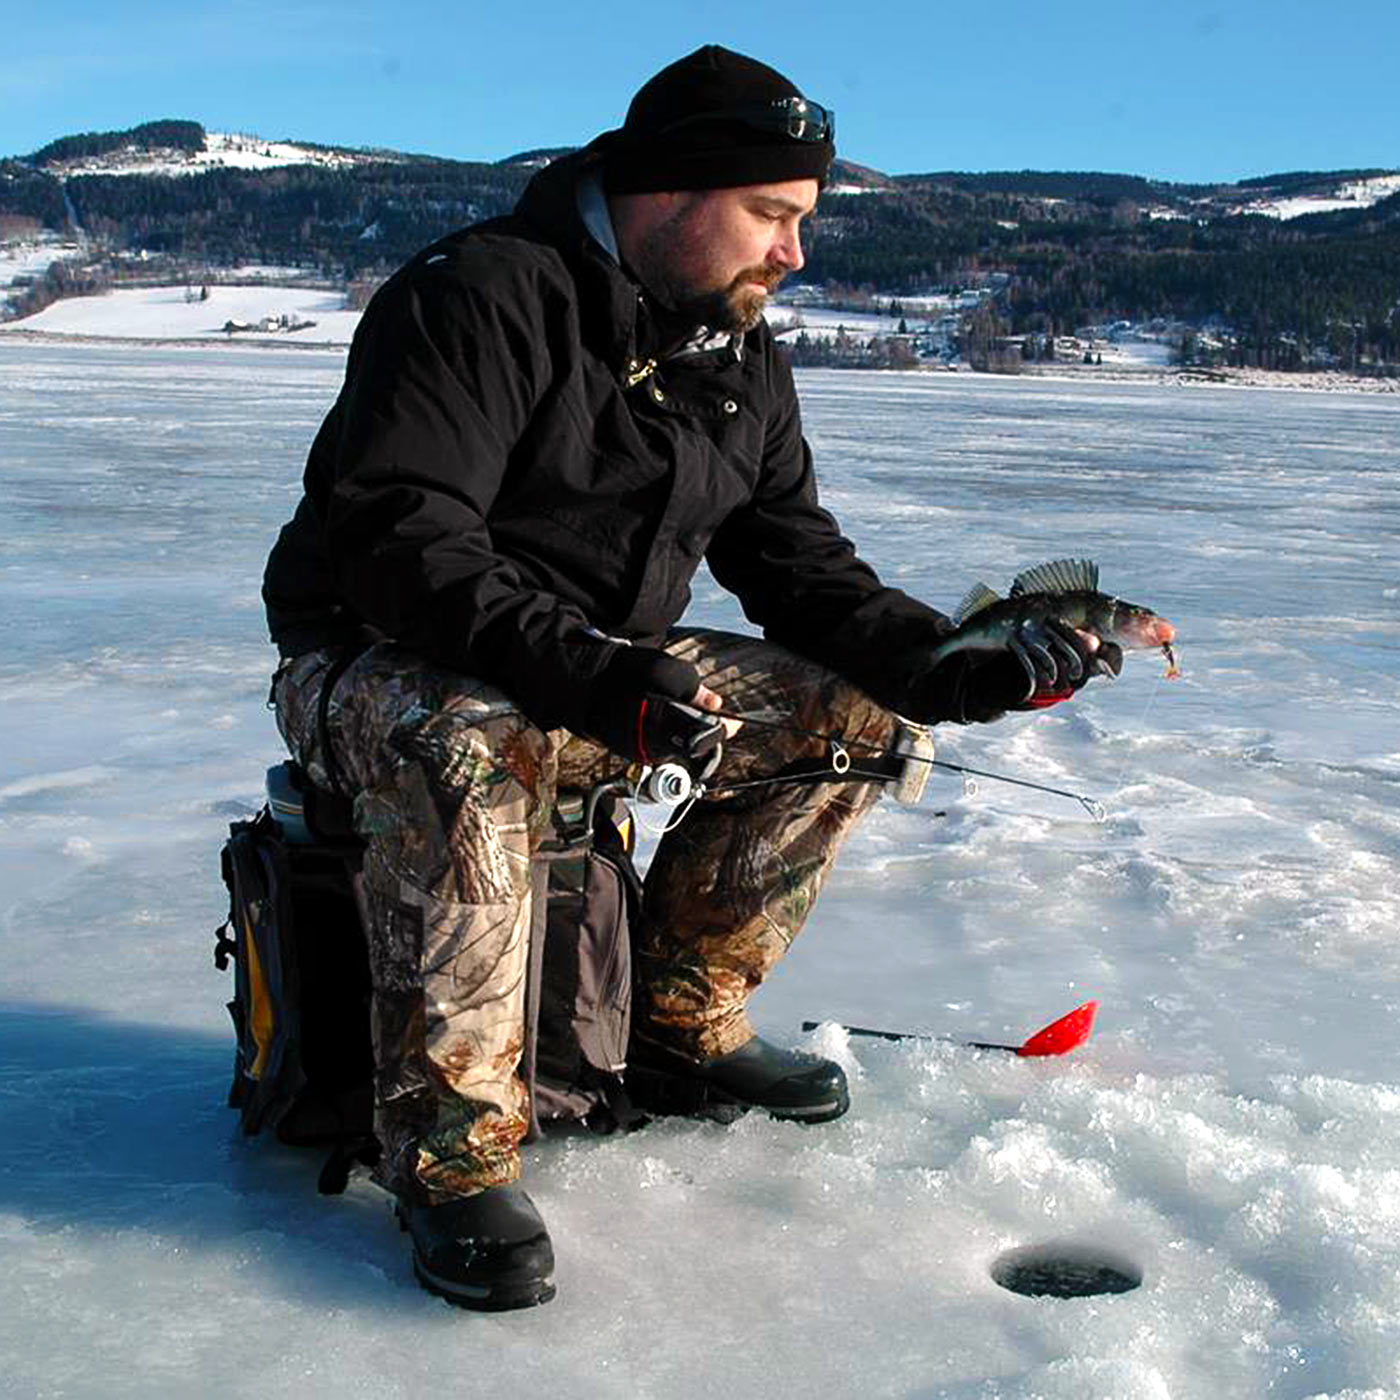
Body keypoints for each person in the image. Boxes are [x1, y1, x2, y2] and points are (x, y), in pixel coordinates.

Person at [262, 44, 1120, 1312]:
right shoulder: (479, 297)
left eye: (801, 222)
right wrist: (596, 674)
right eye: (771, 216)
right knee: (475, 736)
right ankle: (450, 1154)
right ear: (669, 190)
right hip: (379, 667)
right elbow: (401, 540)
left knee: (855, 715)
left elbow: (796, 566)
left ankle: (675, 1016)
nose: (793, 254)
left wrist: (948, 664)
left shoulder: (737, 355)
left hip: (592, 675)